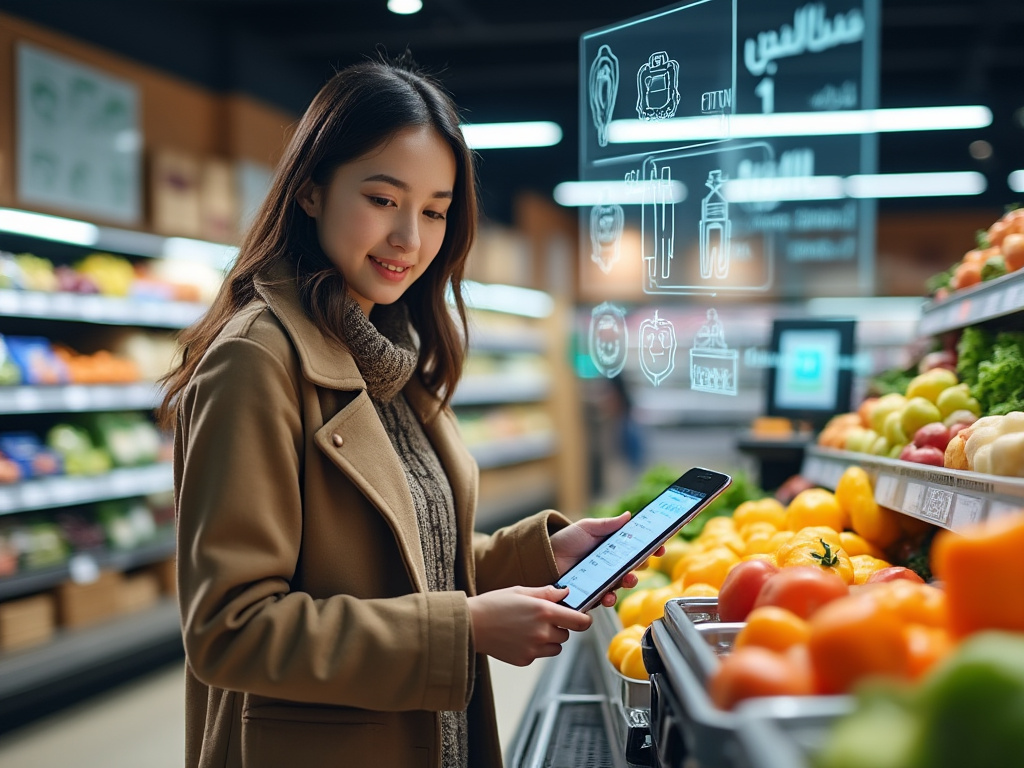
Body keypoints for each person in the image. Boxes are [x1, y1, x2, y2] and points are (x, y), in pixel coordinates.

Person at [158, 54, 651, 768]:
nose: (409, 240)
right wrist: (464, 631)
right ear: (311, 191)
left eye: (434, 212)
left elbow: (413, 557)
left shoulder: (394, 355)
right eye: (383, 200)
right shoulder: (256, 361)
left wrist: (541, 556)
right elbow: (230, 630)